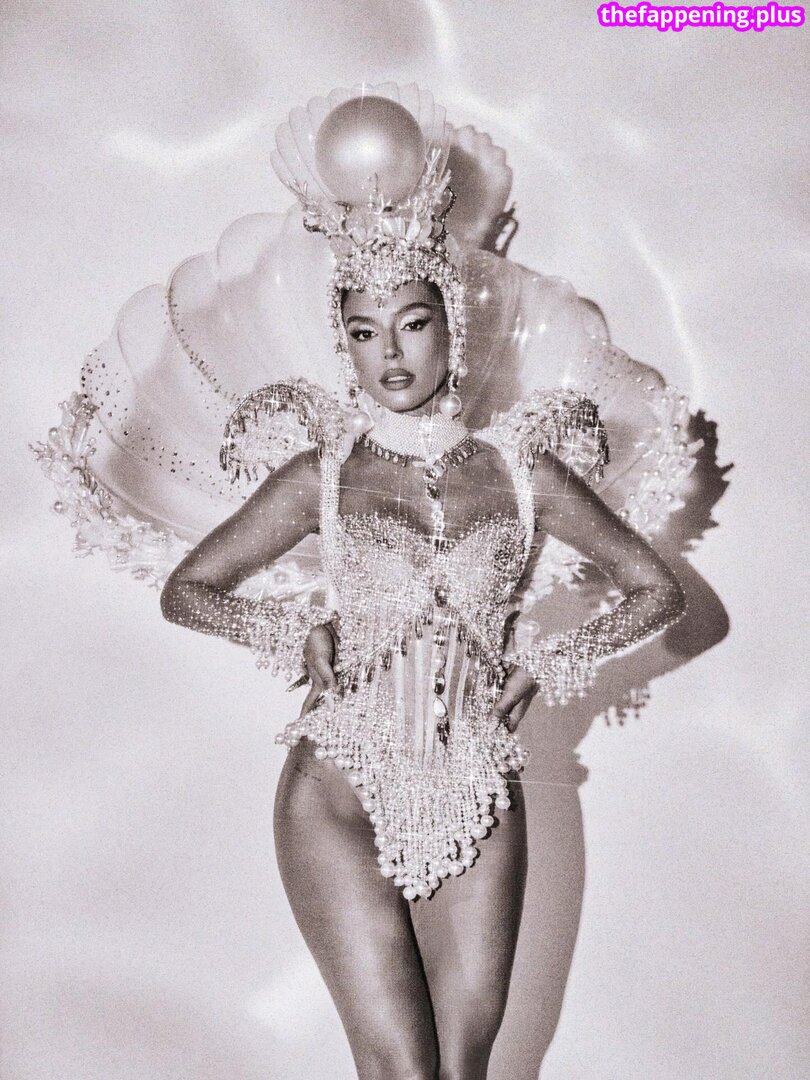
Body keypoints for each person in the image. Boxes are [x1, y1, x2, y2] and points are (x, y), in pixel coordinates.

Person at [33, 85, 693, 1079]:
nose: (391, 352)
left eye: (412, 324)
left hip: (478, 785)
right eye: (365, 330)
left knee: (462, 1071)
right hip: (335, 790)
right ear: (342, 342)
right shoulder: (324, 474)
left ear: (450, 329)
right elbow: (189, 589)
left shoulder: (527, 473)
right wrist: (288, 631)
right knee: (398, 1069)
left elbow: (656, 590)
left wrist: (551, 663)